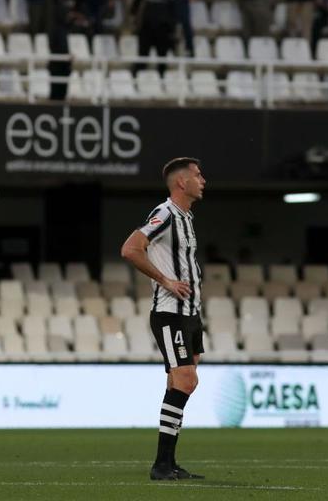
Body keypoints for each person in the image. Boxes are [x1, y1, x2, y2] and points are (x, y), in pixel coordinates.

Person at [119, 157, 207, 482]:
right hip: (171, 313)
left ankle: (168, 463)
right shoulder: (165, 215)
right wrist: (166, 281)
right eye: (198, 175)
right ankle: (161, 464)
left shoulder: (186, 217)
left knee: (179, 382)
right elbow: (130, 248)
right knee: (186, 381)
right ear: (181, 183)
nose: (203, 180)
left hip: (190, 314)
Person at [135, 0, 179, 75]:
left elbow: (175, 9)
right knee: (142, 54)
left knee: (162, 56)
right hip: (147, 25)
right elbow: (136, 4)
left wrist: (172, 28)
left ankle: (161, 79)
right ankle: (138, 79)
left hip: (163, 27)